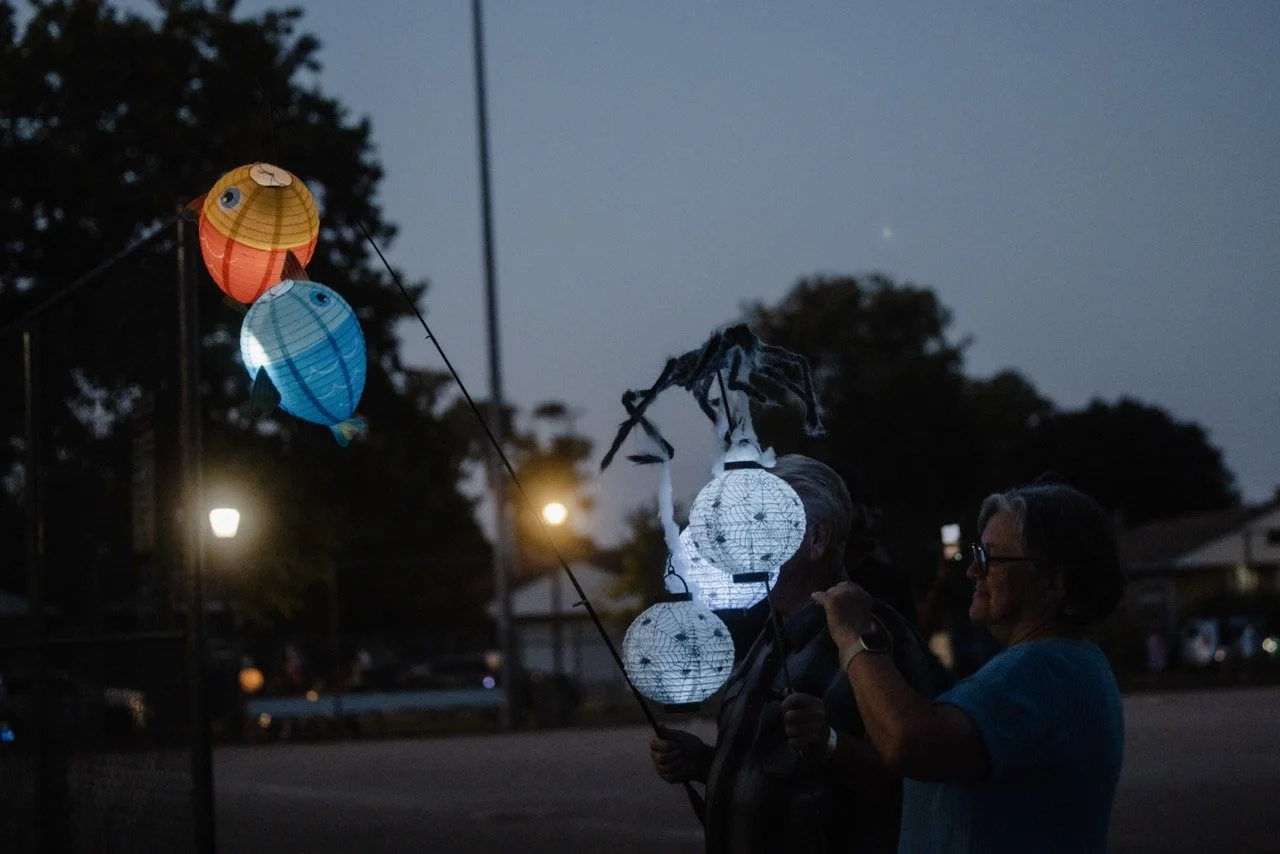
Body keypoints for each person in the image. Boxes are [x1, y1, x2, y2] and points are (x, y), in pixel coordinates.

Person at [811, 482, 1126, 853]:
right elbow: (919, 777)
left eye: (990, 558)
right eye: (977, 554)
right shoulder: (1074, 664)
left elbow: (911, 745)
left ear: (1052, 582)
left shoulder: (1043, 670)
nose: (973, 570)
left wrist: (854, 639)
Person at [649, 454, 936, 853]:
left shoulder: (876, 636)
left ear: (816, 540)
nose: (742, 541)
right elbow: (772, 773)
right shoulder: (767, 638)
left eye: (762, 522)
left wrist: (833, 745)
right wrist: (703, 762)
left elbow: (920, 781)